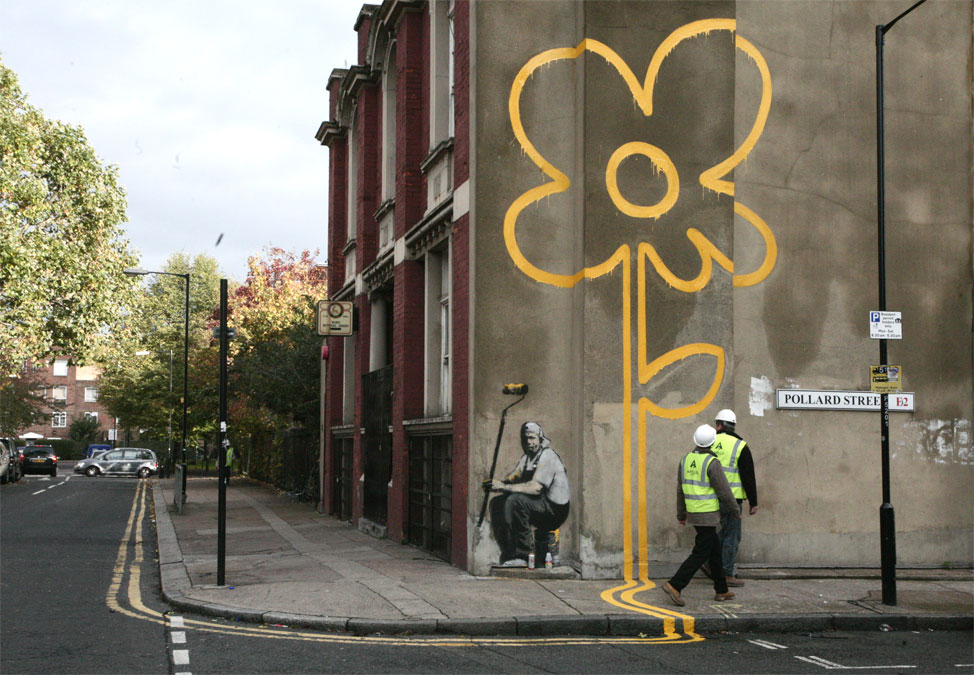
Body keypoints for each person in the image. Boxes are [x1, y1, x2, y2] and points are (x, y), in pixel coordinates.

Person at [661, 424, 741, 607]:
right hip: (708, 514)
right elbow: (724, 491)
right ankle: (675, 584)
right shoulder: (712, 462)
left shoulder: (685, 459)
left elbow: (680, 490)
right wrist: (735, 511)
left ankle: (721, 589)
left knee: (715, 550)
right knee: (701, 553)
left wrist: (681, 513)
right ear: (712, 442)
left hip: (694, 513)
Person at [486, 422, 570, 567]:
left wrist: (505, 487)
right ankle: (508, 553)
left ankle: (523, 555)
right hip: (538, 504)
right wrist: (496, 484)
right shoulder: (526, 459)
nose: (528, 442)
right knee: (497, 503)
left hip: (555, 510)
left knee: (515, 501)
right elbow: (512, 478)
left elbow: (536, 488)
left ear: (540, 439)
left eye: (532, 438)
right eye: (525, 439)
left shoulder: (548, 456)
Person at [706, 408, 758, 587]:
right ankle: (726, 573)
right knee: (732, 535)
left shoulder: (709, 443)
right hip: (731, 500)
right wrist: (753, 501)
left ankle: (709, 561)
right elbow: (748, 476)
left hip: (709, 498)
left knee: (724, 533)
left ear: (719, 425)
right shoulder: (740, 446)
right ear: (733, 426)